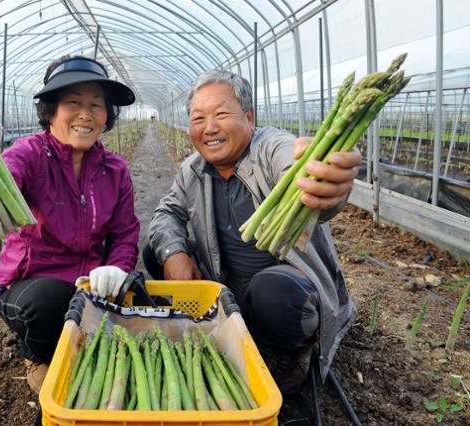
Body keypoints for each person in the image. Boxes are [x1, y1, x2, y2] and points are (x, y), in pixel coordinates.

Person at [144, 70, 359, 399]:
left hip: (286, 287)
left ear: (249, 116)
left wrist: (324, 181)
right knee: (156, 251)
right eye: (198, 118)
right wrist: (174, 252)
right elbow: (166, 213)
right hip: (226, 283)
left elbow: (300, 171)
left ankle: (293, 351)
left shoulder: (271, 149)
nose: (209, 128)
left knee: (272, 291)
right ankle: (210, 322)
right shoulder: (194, 169)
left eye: (221, 114)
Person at [0, 55, 140, 393]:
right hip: (31, 287)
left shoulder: (114, 169)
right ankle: (39, 356)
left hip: (90, 283)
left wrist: (116, 268)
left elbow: (125, 232)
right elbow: (0, 184)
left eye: (96, 105)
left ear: (107, 116)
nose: (86, 113)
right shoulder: (28, 154)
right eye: (74, 102)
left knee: (137, 294)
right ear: (51, 110)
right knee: (50, 300)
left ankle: (89, 343)